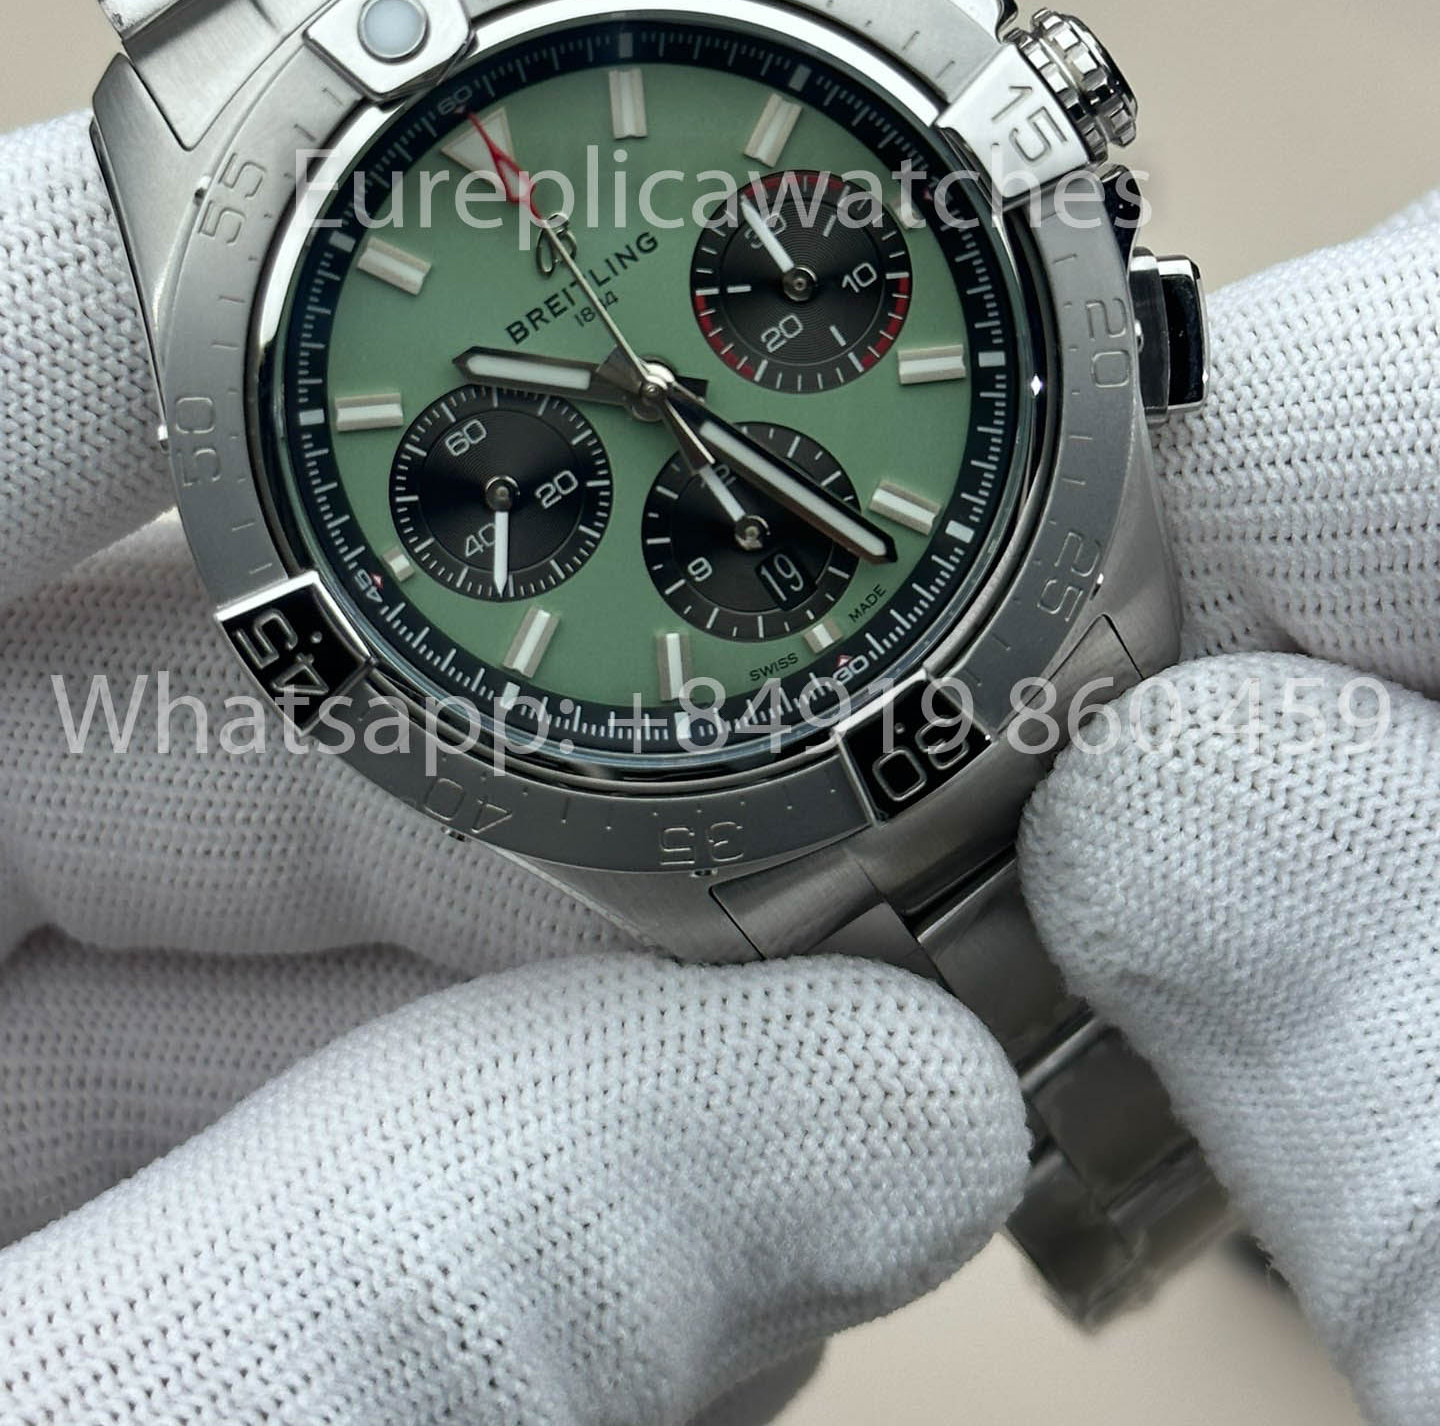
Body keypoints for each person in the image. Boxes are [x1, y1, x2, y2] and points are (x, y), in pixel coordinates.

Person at [0, 110, 1434, 1425]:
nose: (645, 386)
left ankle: (1171, 1155)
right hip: (763, 796)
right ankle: (1148, 1172)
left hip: (1037, 616)